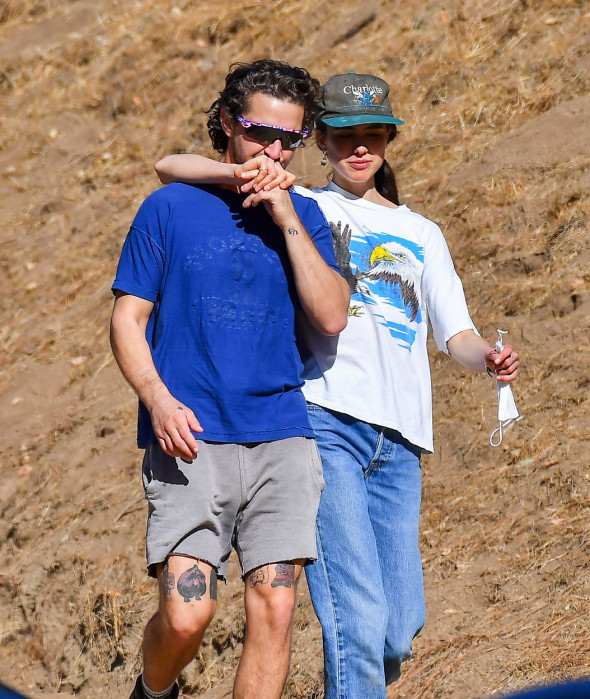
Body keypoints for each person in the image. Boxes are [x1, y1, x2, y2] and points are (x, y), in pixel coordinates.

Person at [155, 71, 520, 699]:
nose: (360, 148)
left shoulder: (423, 233)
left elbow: (453, 334)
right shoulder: (302, 202)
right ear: (318, 139)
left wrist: (487, 356)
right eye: (345, 134)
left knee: (397, 630)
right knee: (355, 612)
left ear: (388, 142)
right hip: (324, 418)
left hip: (401, 439)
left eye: (374, 136)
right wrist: (254, 180)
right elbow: (170, 165)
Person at [110, 59, 349, 699]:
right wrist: (157, 401)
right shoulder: (169, 208)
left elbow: (331, 315)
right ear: (226, 124)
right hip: (189, 438)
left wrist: (286, 215)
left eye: (288, 140)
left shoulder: (306, 216)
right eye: (258, 134)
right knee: (189, 615)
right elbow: (127, 320)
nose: (273, 151)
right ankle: (153, 691)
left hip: (281, 437)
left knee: (274, 609)